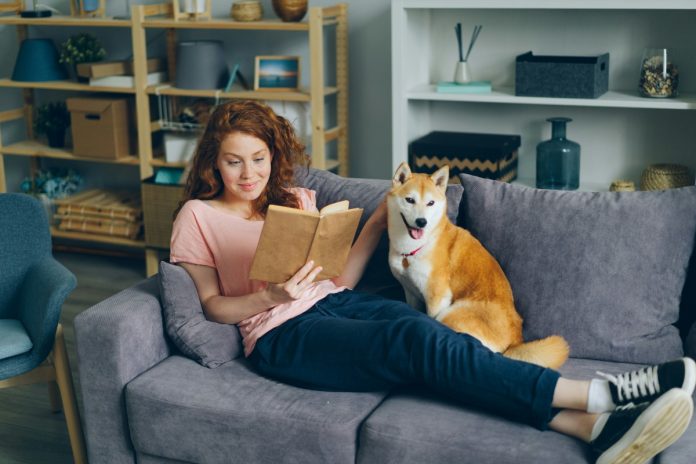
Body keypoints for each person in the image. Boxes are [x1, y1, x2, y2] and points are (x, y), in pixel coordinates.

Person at [170, 100, 695, 464]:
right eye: (234, 161)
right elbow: (213, 306)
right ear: (214, 163)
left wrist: (376, 221)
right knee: (414, 337)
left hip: (333, 302)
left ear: (273, 155)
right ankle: (603, 394)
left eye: (258, 159)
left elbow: (339, 279)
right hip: (279, 336)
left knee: (430, 333)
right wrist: (269, 296)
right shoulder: (197, 215)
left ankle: (590, 429)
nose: (249, 173)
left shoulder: (294, 199)